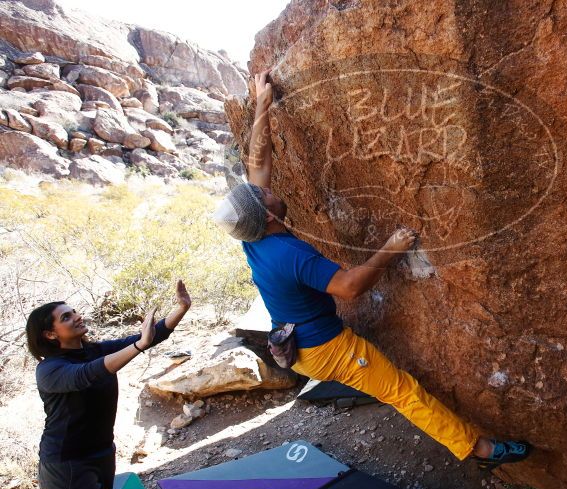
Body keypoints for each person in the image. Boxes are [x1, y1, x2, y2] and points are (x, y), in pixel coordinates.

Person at [213, 72, 530, 469]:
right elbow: (348, 288)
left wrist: (263, 101)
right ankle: (480, 450)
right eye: (265, 193)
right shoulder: (289, 253)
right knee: (402, 391)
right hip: (328, 350)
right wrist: (391, 249)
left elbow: (258, 162)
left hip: (299, 342)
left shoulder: (252, 235)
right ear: (269, 214)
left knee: (397, 387)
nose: (269, 186)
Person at [26, 281, 192, 489]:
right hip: (68, 463)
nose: (77, 316)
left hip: (101, 452)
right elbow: (86, 374)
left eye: (74, 311)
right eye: (66, 317)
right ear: (50, 334)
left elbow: (150, 336)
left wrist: (181, 308)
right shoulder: (49, 370)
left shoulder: (93, 350)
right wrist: (138, 346)